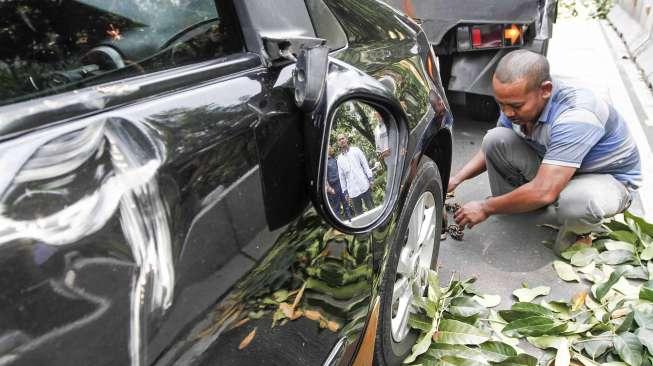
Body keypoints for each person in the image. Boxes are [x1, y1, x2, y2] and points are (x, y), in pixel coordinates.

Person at [449, 49, 641, 253]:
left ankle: (578, 230)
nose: (507, 112)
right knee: (495, 139)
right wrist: (456, 179)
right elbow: (494, 144)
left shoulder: (577, 115)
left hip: (604, 178)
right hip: (557, 166)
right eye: (501, 104)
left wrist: (486, 207)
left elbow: (545, 190)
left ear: (546, 90)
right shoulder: (518, 98)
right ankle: (525, 207)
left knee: (578, 203)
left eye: (515, 106)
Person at [336, 133, 375, 216]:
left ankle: (381, 227)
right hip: (352, 191)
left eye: (343, 138)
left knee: (372, 209)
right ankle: (366, 229)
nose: (342, 141)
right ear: (338, 143)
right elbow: (341, 177)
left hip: (364, 185)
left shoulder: (356, 150)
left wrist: (370, 179)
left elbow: (365, 165)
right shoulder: (339, 160)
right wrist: (345, 193)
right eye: (339, 140)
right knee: (359, 215)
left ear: (346, 139)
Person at [326, 146, 352, 220]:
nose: (332, 149)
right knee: (336, 208)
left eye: (331, 148)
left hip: (340, 185)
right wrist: (329, 188)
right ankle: (340, 226)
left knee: (346, 204)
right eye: (330, 148)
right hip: (333, 187)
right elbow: (324, 177)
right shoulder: (324, 163)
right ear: (326, 150)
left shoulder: (334, 160)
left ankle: (350, 221)